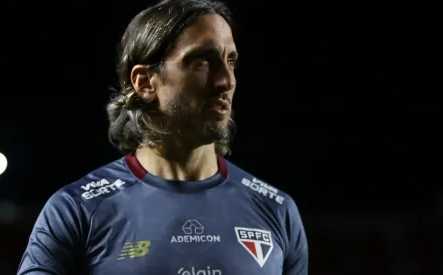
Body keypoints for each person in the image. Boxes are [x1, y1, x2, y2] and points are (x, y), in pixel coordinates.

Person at [17, 0, 309, 274]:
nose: (226, 80)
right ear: (145, 82)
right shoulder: (76, 210)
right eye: (202, 61)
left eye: (231, 61)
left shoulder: (277, 210)